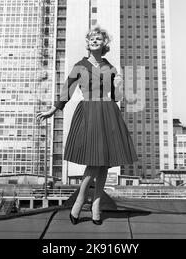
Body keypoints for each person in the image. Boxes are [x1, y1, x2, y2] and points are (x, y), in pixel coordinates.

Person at [36, 26, 138, 225]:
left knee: (105, 163)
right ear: (88, 43)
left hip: (108, 112)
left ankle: (96, 206)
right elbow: (67, 91)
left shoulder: (110, 67)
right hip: (89, 112)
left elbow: (117, 98)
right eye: (91, 38)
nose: (94, 41)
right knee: (94, 161)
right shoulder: (79, 66)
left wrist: (119, 86)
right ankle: (80, 201)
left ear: (104, 44)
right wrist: (52, 110)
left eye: (98, 39)